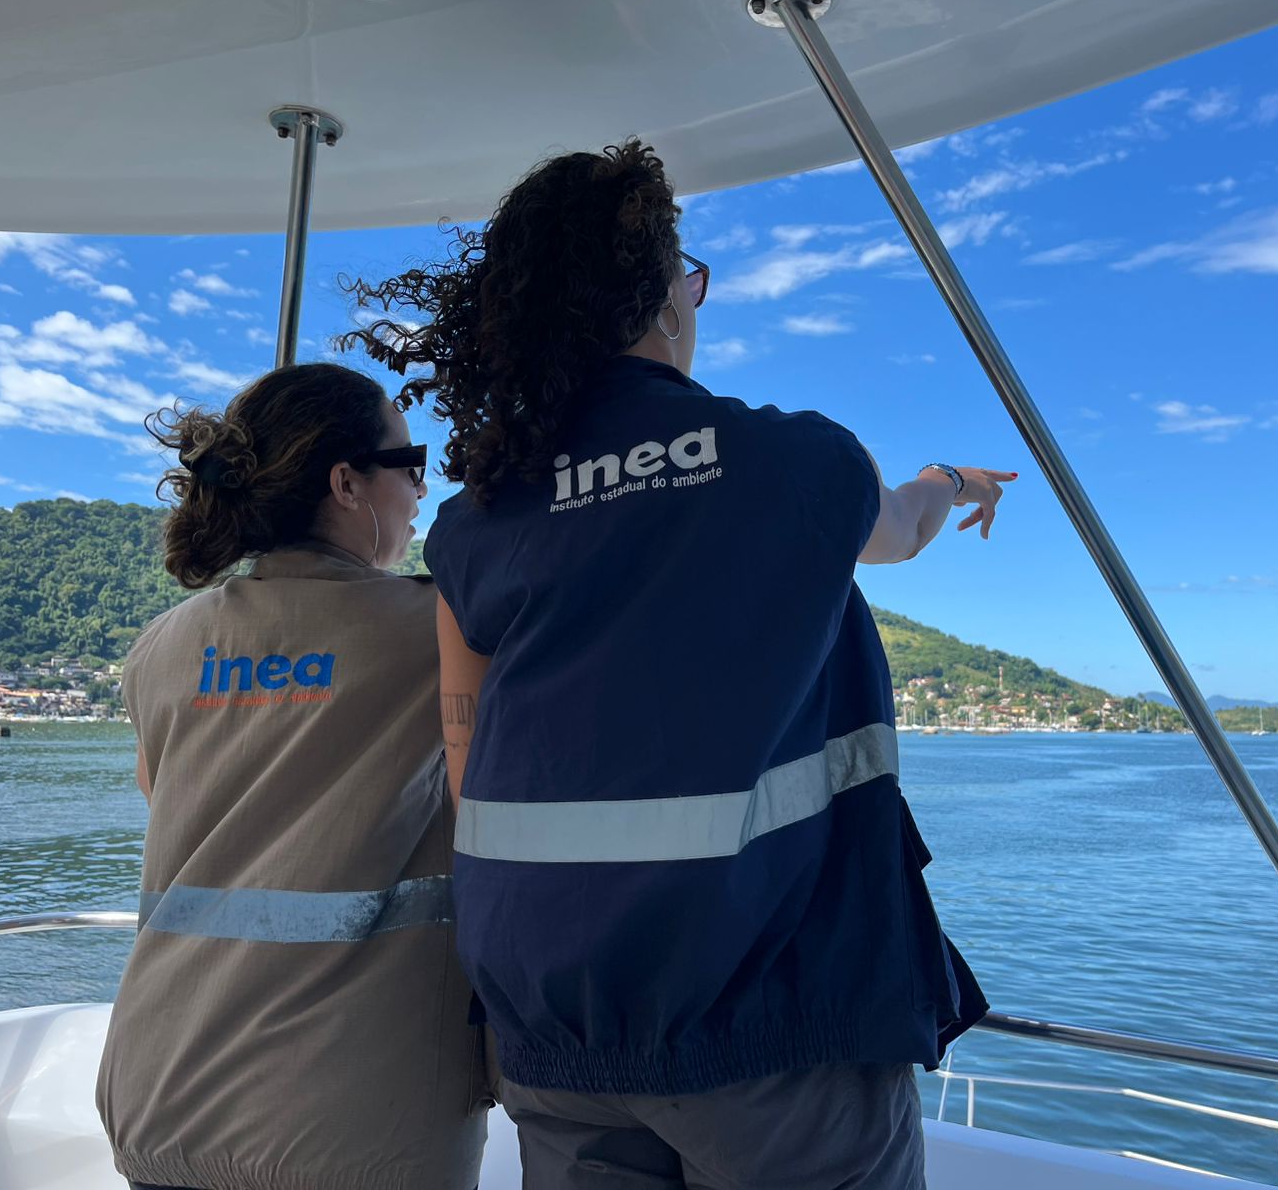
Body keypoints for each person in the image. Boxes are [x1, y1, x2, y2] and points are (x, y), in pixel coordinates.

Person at [343, 140, 1005, 1190]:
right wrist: (952, 478)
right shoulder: (799, 461)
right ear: (664, 297)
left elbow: (468, 770)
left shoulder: (474, 522)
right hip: (772, 1022)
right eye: (689, 279)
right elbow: (902, 529)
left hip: (550, 1017)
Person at [96, 363, 489, 1190]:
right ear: (346, 483)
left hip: (157, 1098)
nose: (421, 489)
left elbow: (161, 797)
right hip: (353, 1123)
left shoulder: (161, 646)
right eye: (409, 463)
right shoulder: (436, 629)